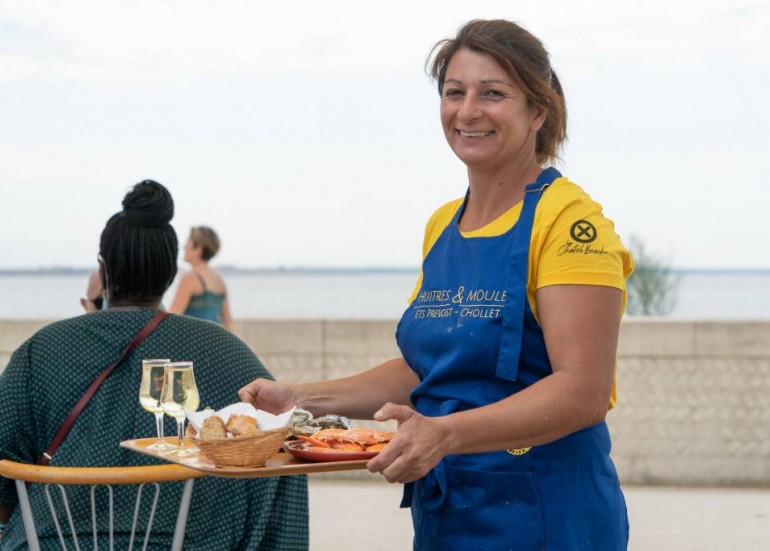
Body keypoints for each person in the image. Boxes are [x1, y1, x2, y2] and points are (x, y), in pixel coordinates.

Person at [239, 19, 633, 550]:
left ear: (538, 110)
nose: (467, 111)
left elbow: (583, 392)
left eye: (493, 94)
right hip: (449, 511)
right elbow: (430, 367)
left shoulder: (570, 223)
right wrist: (298, 399)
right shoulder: (444, 225)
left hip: (548, 514)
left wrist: (445, 434)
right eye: (454, 92)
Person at [0, 181, 308, 550]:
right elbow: (279, 457)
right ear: (169, 274)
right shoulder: (227, 352)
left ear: (104, 270)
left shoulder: (42, 350)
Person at [168, 226, 234, 331]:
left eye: (188, 243)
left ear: (198, 248)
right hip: (215, 341)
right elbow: (229, 322)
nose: (184, 247)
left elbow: (172, 318)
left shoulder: (190, 278)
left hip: (194, 342)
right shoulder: (219, 279)